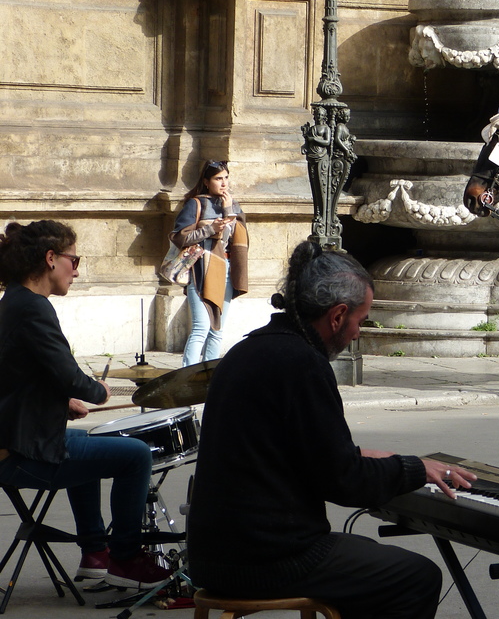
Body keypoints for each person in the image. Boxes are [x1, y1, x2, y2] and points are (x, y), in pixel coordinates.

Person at [187, 243, 476, 619]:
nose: (358, 332)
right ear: (338, 315)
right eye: (361, 320)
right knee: (415, 576)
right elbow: (343, 482)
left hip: (214, 555)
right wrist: (414, 470)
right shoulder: (303, 364)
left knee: (366, 566)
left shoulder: (247, 352)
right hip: (267, 559)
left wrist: (374, 458)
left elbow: (293, 454)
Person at [0, 220, 173, 588]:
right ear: (51, 259)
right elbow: (69, 375)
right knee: (136, 455)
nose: (76, 270)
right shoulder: (33, 308)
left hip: (20, 440)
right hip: (21, 454)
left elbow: (18, 378)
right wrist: (97, 391)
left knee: (93, 446)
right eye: (73, 260)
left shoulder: (15, 301)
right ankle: (125, 559)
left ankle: (95, 553)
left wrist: (62, 403)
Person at [170, 160, 249, 367]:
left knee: (217, 330)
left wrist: (228, 210)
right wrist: (210, 229)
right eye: (218, 178)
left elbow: (236, 239)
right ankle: (186, 380)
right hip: (201, 271)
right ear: (206, 181)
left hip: (226, 270)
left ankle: (208, 383)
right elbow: (180, 238)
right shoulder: (196, 203)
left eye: (226, 177)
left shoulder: (234, 204)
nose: (223, 183)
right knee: (201, 328)